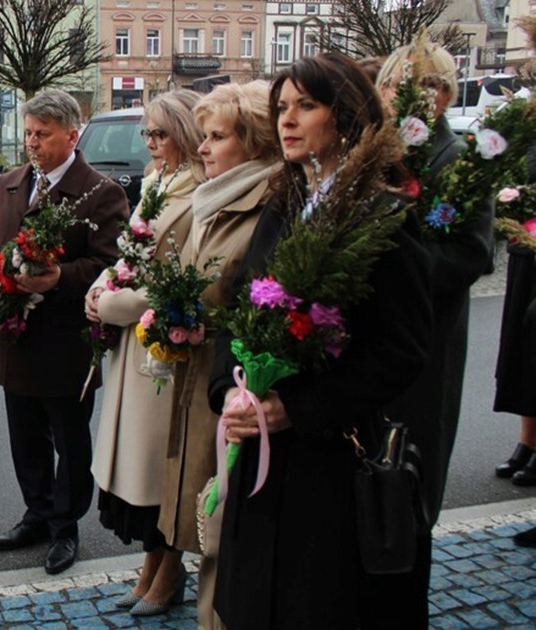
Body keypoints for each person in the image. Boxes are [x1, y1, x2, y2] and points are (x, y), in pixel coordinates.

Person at [208, 53, 432, 630]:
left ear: (347, 114)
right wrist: (228, 392)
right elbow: (238, 309)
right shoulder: (282, 203)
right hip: (264, 458)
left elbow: (402, 349)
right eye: (282, 107)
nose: (287, 120)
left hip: (331, 465)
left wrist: (299, 409)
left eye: (305, 106)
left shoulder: (382, 213)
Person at [0, 88, 128, 575]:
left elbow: (110, 265)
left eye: (42, 134)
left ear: (71, 135)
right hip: (15, 338)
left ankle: (65, 525)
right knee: (25, 437)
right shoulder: (11, 184)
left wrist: (60, 278)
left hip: (65, 342)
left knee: (69, 439)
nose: (32, 143)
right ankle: (36, 513)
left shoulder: (101, 192)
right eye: (28, 133)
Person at [372, 40, 496, 628]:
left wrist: (390, 261)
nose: (393, 98)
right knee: (374, 489)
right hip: (377, 350)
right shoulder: (384, 156)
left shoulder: (457, 160)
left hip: (424, 350)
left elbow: (471, 255)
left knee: (409, 491)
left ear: (442, 95)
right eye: (389, 86)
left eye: (407, 87)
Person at [85, 89, 205, 615]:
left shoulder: (197, 191)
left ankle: (169, 570)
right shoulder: (158, 183)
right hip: (136, 343)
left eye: (161, 134)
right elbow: (131, 255)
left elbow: (180, 280)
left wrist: (112, 303)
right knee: (139, 464)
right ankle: (151, 567)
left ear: (184, 134)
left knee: (161, 466)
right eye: (148, 134)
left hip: (161, 348)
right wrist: (101, 283)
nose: (152, 144)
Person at [169, 81, 281, 629]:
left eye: (217, 137)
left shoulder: (264, 203)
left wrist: (184, 309)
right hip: (205, 380)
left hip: (232, 391)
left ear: (254, 142)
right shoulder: (215, 196)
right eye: (203, 136)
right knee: (205, 524)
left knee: (221, 529)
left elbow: (232, 295)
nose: (203, 147)